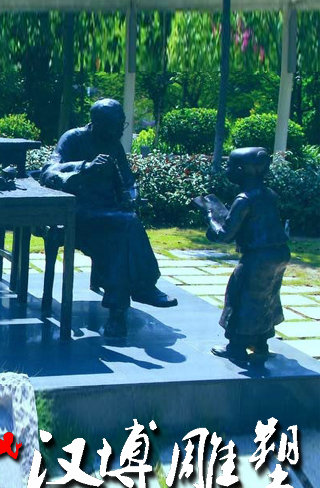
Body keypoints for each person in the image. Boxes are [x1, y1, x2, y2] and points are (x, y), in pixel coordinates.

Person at [39, 99, 176, 339]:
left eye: (121, 125)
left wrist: (132, 197)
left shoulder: (113, 144)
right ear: (97, 123)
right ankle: (141, 290)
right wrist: (85, 167)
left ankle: (118, 311)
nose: (119, 131)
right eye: (115, 126)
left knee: (120, 236)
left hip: (109, 215)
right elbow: (48, 170)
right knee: (126, 226)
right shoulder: (73, 138)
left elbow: (128, 181)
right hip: (78, 213)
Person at [202, 147, 290, 363]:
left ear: (241, 170)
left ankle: (237, 347)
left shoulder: (244, 199)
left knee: (240, 296)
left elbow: (225, 235)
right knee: (266, 296)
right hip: (278, 253)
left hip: (257, 257)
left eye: (230, 165)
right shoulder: (269, 194)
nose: (227, 169)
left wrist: (210, 212)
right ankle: (260, 342)